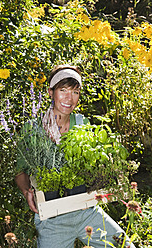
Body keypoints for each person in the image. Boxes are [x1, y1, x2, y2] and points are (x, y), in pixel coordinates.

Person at [15, 65, 136, 248]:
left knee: (124, 246)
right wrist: (26, 192)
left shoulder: (82, 123)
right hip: (52, 219)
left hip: (86, 210)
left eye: (75, 92)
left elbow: (93, 162)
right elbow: (20, 171)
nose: (69, 98)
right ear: (50, 92)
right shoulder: (32, 129)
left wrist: (110, 170)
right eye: (63, 90)